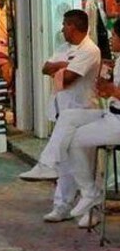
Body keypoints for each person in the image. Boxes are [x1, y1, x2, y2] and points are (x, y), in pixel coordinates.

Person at [19, 19, 120, 229]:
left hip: (102, 113)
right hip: (91, 110)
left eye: (114, 35)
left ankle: (91, 198)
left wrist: (111, 90)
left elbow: (69, 77)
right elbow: (46, 68)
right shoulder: (65, 48)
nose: (111, 39)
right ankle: (46, 166)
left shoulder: (90, 50)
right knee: (67, 125)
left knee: (77, 146)